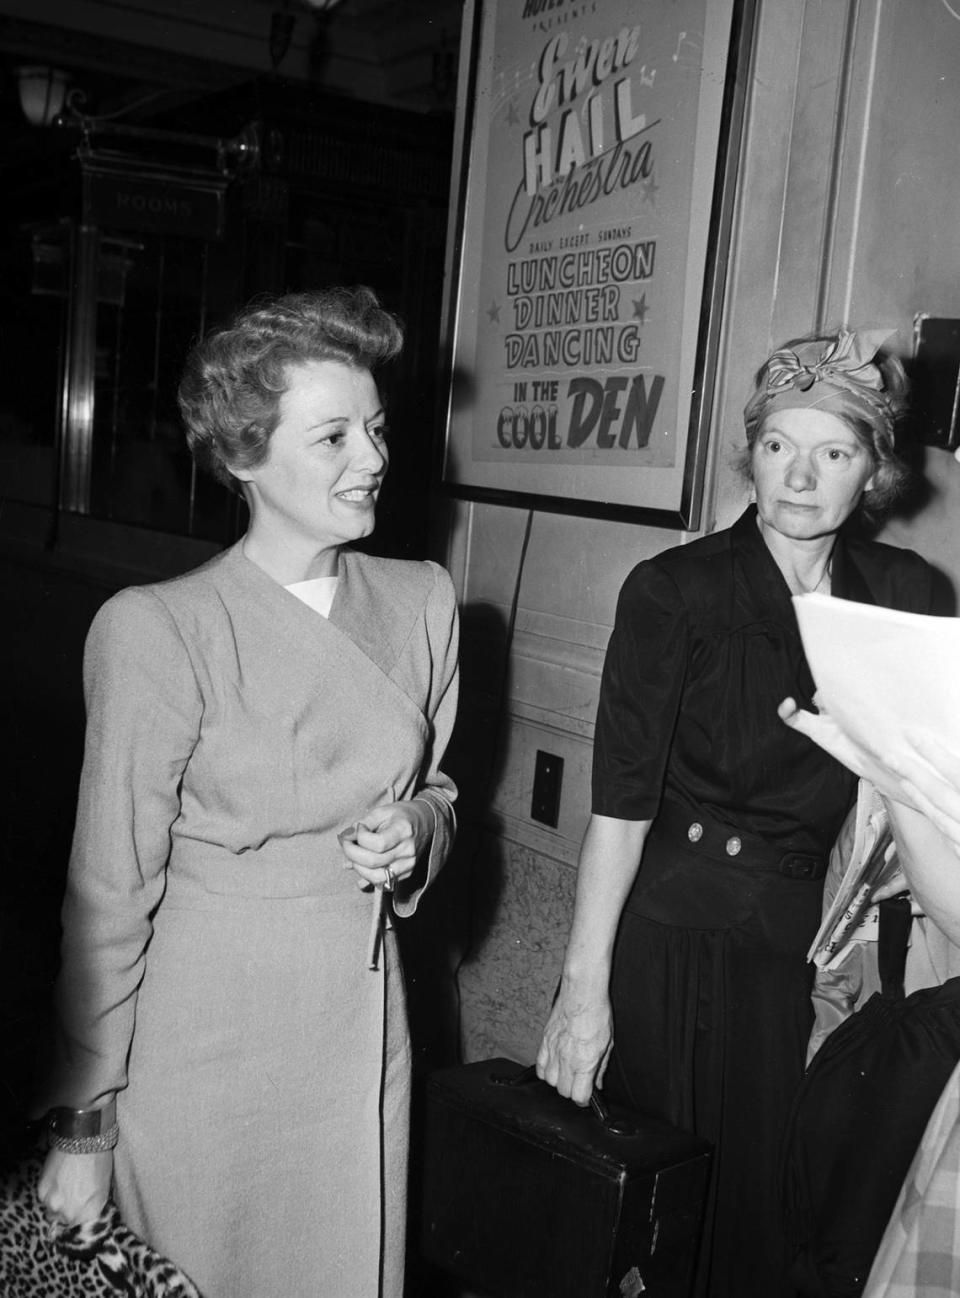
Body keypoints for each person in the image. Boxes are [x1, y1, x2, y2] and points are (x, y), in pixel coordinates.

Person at [34, 286, 460, 1298]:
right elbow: (107, 897)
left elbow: (442, 788)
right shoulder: (159, 628)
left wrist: (416, 828)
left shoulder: (423, 600)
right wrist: (84, 1120)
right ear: (243, 458)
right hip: (203, 1052)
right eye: (333, 437)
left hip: (358, 1026)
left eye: (377, 427)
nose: (375, 457)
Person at [536, 327, 936, 1297]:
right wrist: (582, 995)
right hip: (680, 942)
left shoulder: (909, 595)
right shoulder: (677, 590)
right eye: (777, 446)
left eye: (832, 451)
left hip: (820, 944)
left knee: (798, 1215)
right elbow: (622, 809)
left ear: (873, 469)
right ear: (749, 454)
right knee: (684, 1226)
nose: (800, 476)